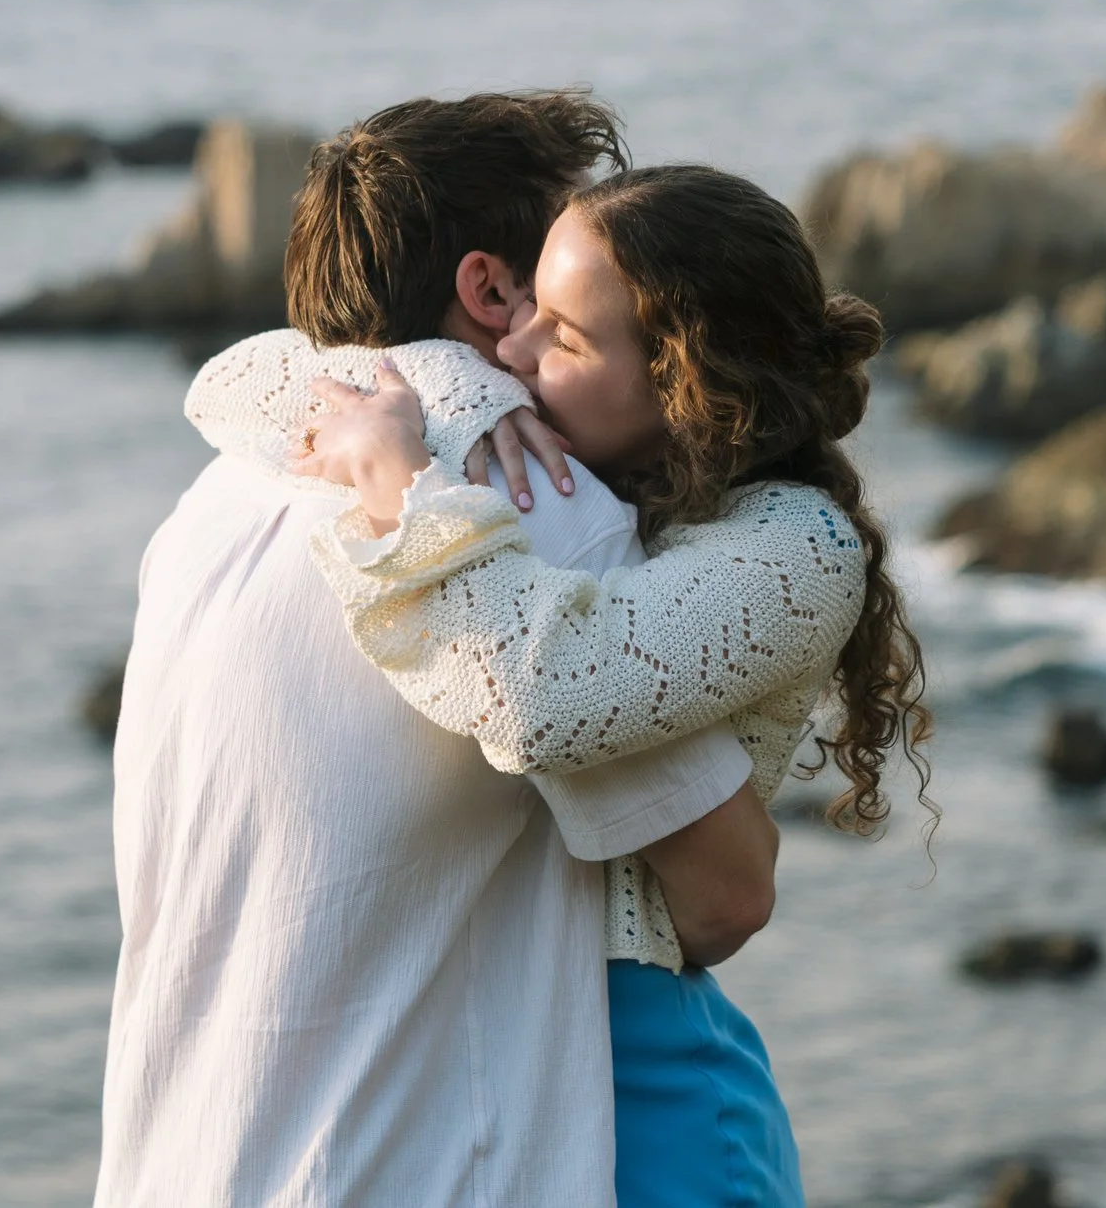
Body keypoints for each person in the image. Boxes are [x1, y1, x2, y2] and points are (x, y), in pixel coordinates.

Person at [97, 96, 783, 1207]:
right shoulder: (532, 496)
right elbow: (725, 897)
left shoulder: (207, 506)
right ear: (491, 291)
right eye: (564, 281)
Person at [240, 163, 935, 1207]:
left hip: (651, 1085)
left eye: (562, 335)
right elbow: (240, 377)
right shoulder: (582, 476)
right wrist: (461, 390)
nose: (514, 350)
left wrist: (396, 480)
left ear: (689, 381)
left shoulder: (796, 547)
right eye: (524, 306)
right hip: (503, 1061)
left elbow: (543, 694)